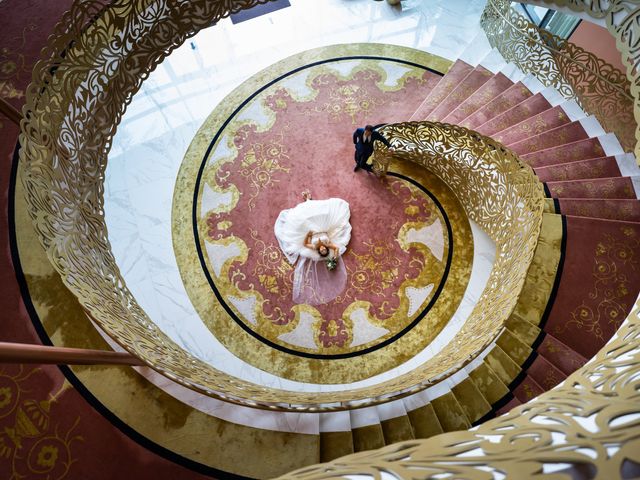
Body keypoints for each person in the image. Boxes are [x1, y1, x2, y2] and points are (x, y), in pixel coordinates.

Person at [274, 194, 351, 305]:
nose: (324, 248)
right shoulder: (328, 243)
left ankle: (308, 201)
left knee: (304, 217)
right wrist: (333, 256)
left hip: (310, 230)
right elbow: (336, 248)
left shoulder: (315, 247)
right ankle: (309, 200)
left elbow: (305, 243)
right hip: (322, 225)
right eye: (325, 250)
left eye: (323, 250)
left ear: (320, 251)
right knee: (320, 212)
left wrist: (309, 234)